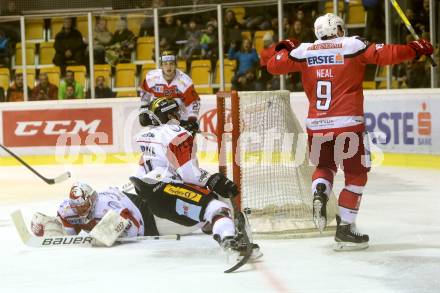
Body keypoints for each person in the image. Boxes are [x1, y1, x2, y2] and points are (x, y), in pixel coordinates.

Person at [267, 13, 434, 250]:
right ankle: (345, 228)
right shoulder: (352, 44)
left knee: (325, 167)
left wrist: (285, 47)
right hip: (348, 124)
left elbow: (273, 65)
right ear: (338, 28)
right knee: (356, 175)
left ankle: (320, 190)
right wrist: (416, 48)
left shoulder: (304, 51)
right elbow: (387, 55)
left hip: (317, 125)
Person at [131, 97, 260, 256]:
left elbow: (141, 172)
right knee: (218, 207)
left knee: (206, 211)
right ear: (170, 115)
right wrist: (213, 179)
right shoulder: (176, 133)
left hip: (154, 200)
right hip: (168, 192)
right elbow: (189, 174)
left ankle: (224, 233)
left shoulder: (148, 135)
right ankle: (232, 244)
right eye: (176, 113)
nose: (179, 116)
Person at [30, 182, 160, 240]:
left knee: (151, 231)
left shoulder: (106, 207)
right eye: (76, 207)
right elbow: (69, 235)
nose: (80, 210)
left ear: (91, 200)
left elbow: (135, 227)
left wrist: (111, 234)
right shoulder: (67, 210)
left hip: (135, 206)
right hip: (117, 200)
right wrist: (58, 231)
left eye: (83, 205)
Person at [139, 50, 200, 136]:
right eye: (165, 64)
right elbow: (145, 94)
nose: (168, 67)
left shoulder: (185, 81)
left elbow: (194, 102)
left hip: (181, 120)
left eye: (171, 63)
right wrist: (143, 109)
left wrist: (192, 120)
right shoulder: (151, 78)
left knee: (182, 148)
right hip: (159, 119)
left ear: (175, 65)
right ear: (161, 65)